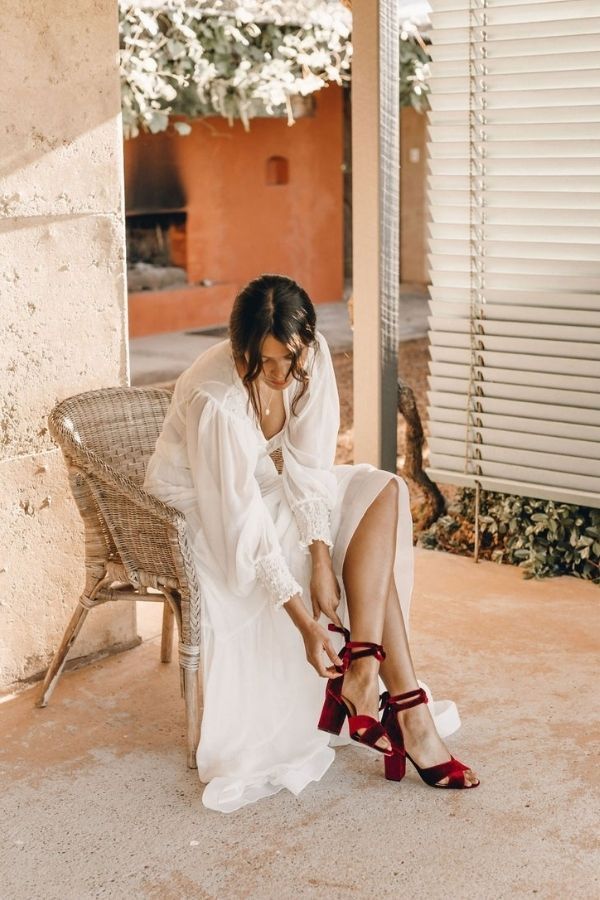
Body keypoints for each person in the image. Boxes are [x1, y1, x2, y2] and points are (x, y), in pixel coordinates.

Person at [143, 274, 479, 812]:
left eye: (288, 361)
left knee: (381, 491)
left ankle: (365, 672)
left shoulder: (311, 354)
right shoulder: (218, 400)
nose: (279, 376)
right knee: (364, 564)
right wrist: (304, 624)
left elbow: (308, 464)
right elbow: (240, 523)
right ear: (240, 349)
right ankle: (407, 714)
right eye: (265, 364)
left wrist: (320, 552)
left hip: (264, 486)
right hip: (203, 509)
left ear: (306, 342)